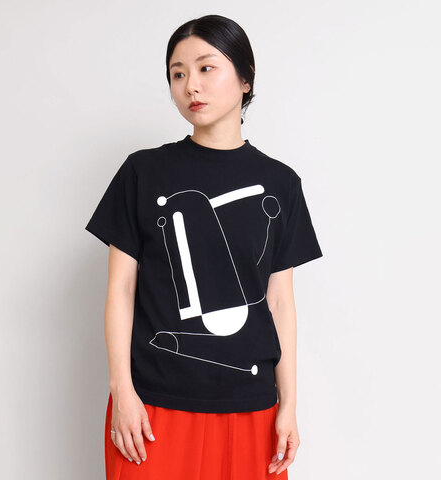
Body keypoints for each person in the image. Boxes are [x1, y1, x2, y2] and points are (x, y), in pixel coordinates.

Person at [85, 14, 323, 480]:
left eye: (206, 68)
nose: (190, 85)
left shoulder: (281, 183)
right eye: (177, 74)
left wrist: (289, 405)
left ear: (246, 79)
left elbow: (279, 302)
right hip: (152, 407)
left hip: (251, 406)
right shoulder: (142, 172)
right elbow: (120, 289)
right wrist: (122, 391)